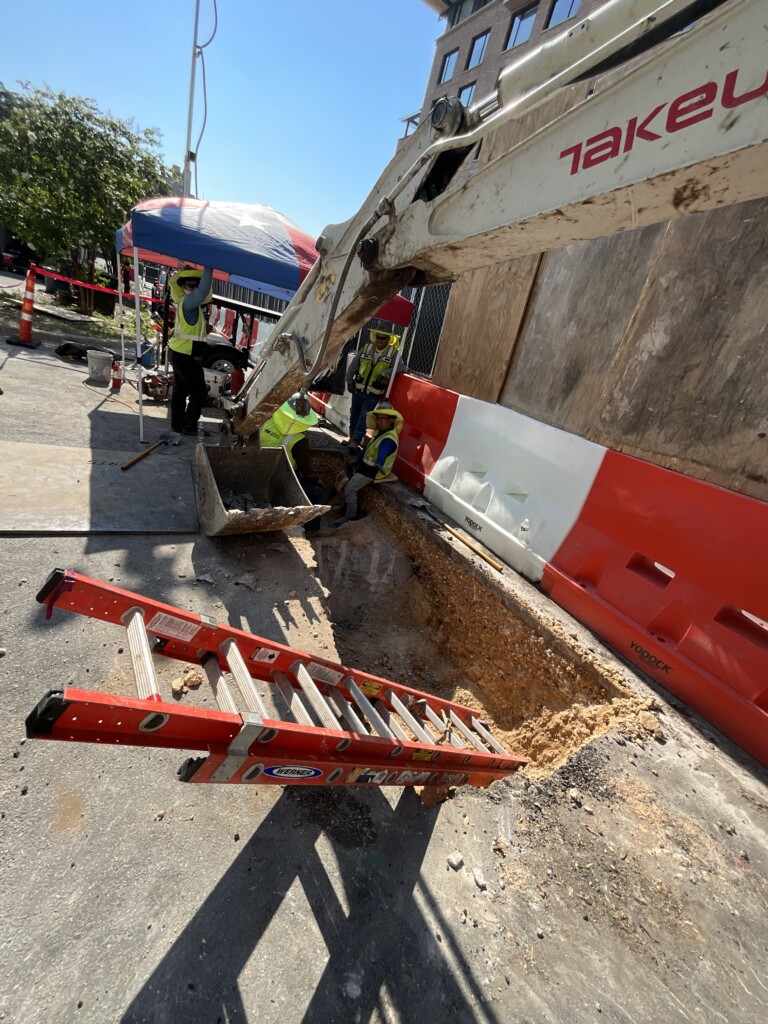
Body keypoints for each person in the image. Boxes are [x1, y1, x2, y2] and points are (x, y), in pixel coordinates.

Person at [331, 401, 404, 530]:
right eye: (378, 418)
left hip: (375, 470)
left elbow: (383, 452)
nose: (380, 421)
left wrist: (379, 464)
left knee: (350, 488)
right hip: (366, 465)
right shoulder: (378, 432)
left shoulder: (389, 439)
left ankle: (350, 516)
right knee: (346, 479)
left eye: (384, 419)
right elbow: (367, 448)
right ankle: (345, 506)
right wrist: (357, 459)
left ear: (392, 421)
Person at [260, 392, 325, 533]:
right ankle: (312, 528)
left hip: (259, 469)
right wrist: (318, 480)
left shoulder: (266, 422)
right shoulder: (299, 441)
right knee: (317, 491)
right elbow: (308, 473)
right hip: (282, 478)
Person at [168, 266, 213, 436]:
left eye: (195, 285)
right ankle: (188, 425)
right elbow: (203, 292)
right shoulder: (189, 302)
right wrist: (209, 268)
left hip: (180, 352)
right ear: (184, 286)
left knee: (180, 390)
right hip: (185, 354)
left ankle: (177, 424)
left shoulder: (186, 303)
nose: (193, 288)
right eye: (190, 285)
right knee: (200, 392)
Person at [345, 329, 400, 449]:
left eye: (383, 338)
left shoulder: (393, 353)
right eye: (378, 337)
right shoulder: (366, 348)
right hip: (358, 390)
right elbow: (353, 365)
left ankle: (356, 441)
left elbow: (402, 368)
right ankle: (351, 438)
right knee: (353, 414)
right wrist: (349, 381)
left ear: (389, 339)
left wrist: (387, 372)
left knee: (363, 418)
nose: (379, 340)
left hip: (373, 394)